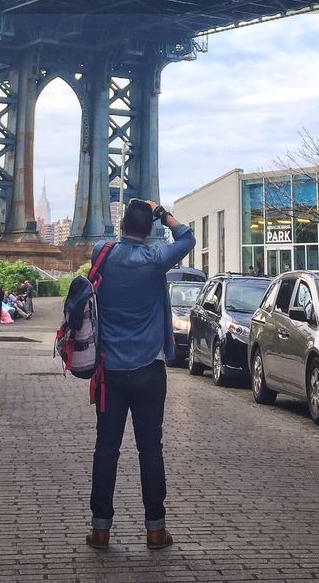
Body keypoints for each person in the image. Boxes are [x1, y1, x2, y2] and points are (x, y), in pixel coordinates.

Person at [86, 197, 194, 552]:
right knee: (150, 450)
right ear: (149, 230)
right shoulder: (156, 259)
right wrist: (162, 213)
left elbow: (103, 247)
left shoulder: (103, 252)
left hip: (110, 372)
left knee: (106, 450)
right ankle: (155, 530)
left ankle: (101, 530)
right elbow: (187, 238)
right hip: (149, 371)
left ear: (121, 227)